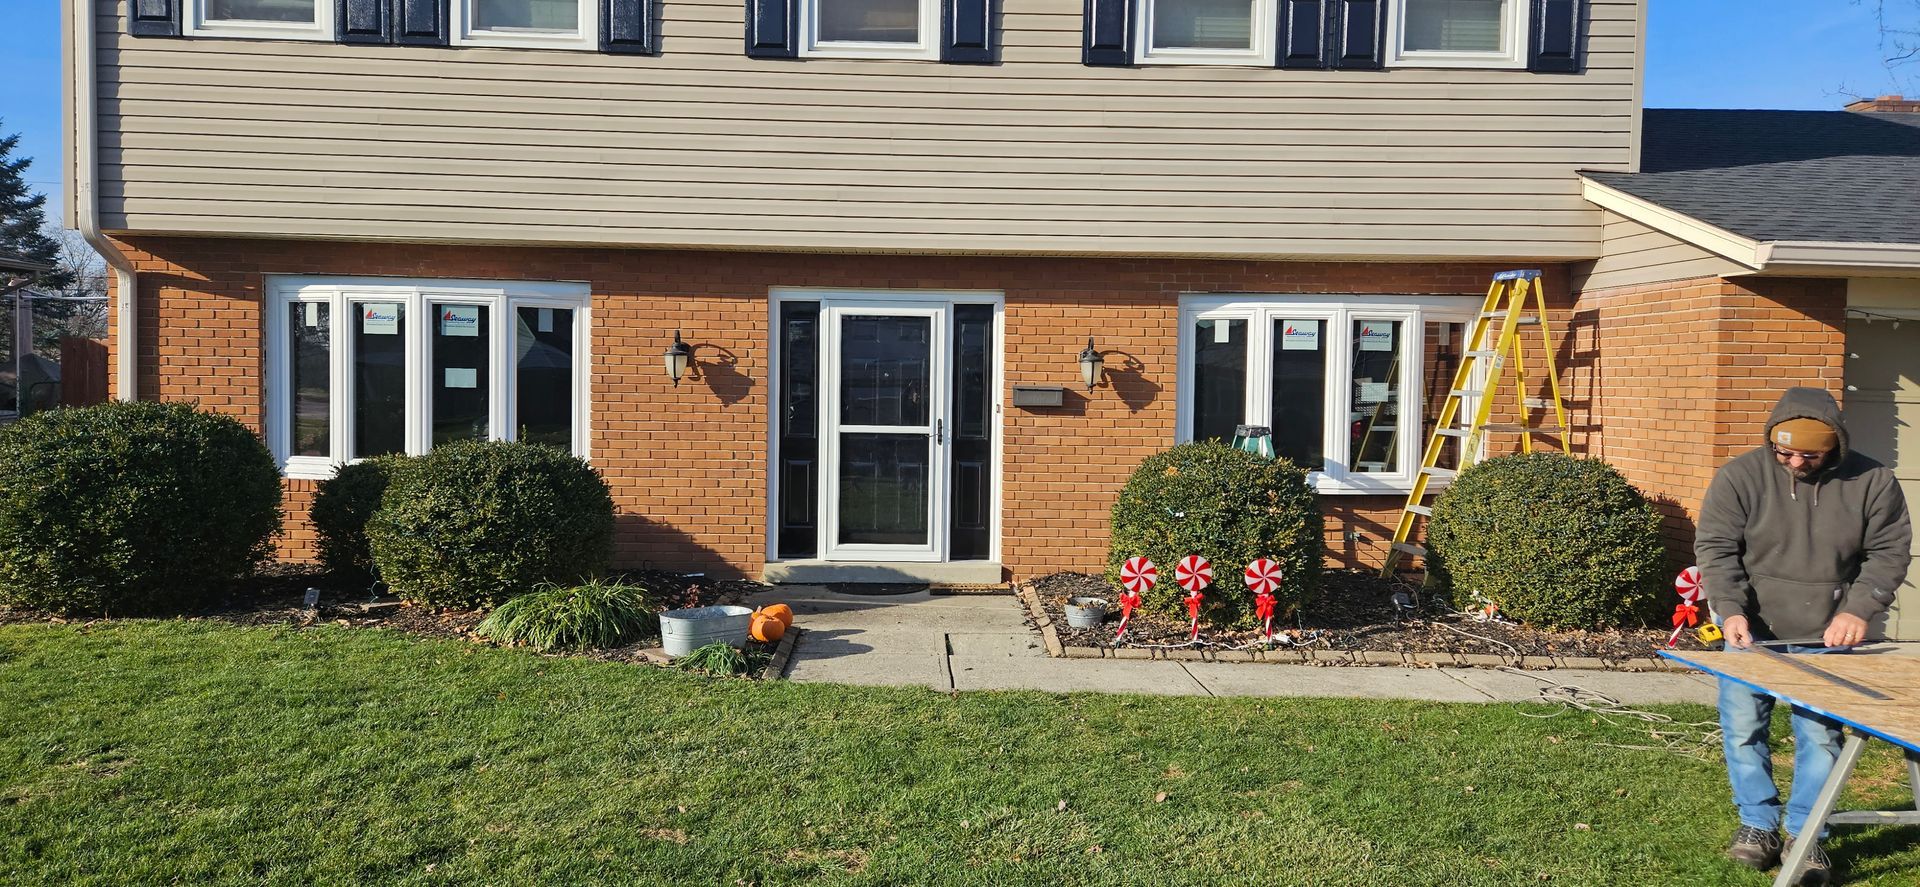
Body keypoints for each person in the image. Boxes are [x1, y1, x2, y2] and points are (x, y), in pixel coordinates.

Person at [1695, 387, 1910, 886]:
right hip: (1752, 632)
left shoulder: (1873, 480)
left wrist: (1858, 609)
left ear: (1834, 445)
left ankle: (1806, 834)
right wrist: (1729, 611)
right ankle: (1758, 826)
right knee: (1743, 728)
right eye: (1784, 452)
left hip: (1830, 635)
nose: (1795, 461)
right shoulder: (1740, 476)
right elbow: (1717, 549)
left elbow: (1889, 553)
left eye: (1808, 455)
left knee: (1820, 737)